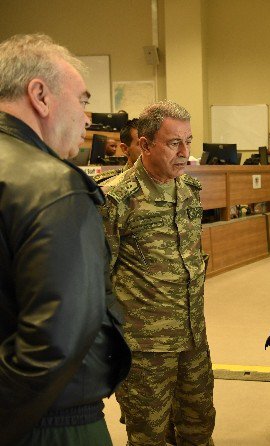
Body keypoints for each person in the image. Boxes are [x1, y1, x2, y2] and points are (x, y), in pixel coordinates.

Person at [0, 34, 130, 446]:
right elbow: (53, 344)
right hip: (49, 421)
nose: (88, 119)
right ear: (39, 95)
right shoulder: (55, 188)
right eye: (83, 101)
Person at [101, 100, 215, 446]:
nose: (185, 152)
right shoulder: (116, 198)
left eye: (189, 141)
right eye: (174, 143)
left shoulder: (189, 192)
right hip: (145, 347)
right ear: (146, 145)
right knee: (149, 436)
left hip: (193, 336)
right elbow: (98, 277)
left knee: (199, 428)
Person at [93, 118, 140, 184]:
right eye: (141, 144)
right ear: (125, 149)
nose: (148, 149)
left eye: (152, 143)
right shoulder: (106, 184)